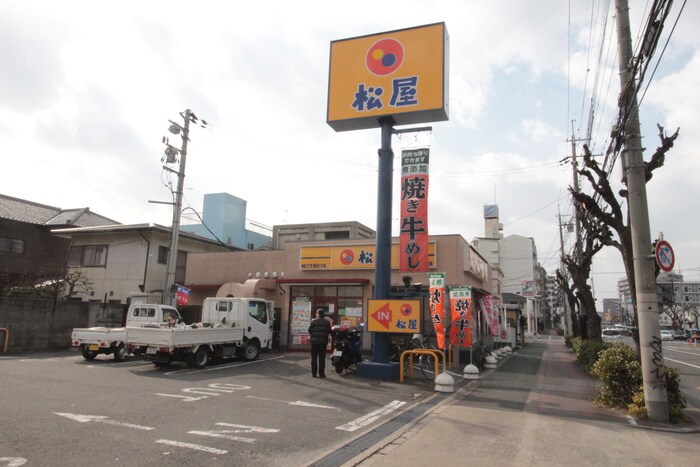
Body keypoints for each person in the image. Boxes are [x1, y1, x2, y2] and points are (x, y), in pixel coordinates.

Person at [308, 309, 332, 378]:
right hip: (323, 343)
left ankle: (314, 374)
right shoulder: (327, 322)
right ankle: (321, 374)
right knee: (322, 359)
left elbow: (309, 330)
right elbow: (329, 331)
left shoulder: (313, 321)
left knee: (314, 358)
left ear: (318, 314)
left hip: (314, 342)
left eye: (316, 313)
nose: (316, 314)